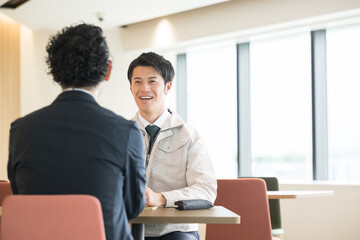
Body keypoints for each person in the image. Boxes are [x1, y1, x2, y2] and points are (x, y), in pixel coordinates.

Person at [7, 23, 146, 240]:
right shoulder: (125, 132)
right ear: (108, 70)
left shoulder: (20, 130)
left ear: (53, 72)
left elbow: (23, 198)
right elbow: (133, 206)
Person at [127, 52, 217, 240]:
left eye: (152, 81)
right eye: (137, 82)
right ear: (131, 87)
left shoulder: (190, 136)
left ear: (167, 86)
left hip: (176, 231)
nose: (144, 88)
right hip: (128, 229)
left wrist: (162, 198)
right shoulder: (120, 134)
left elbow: (206, 189)